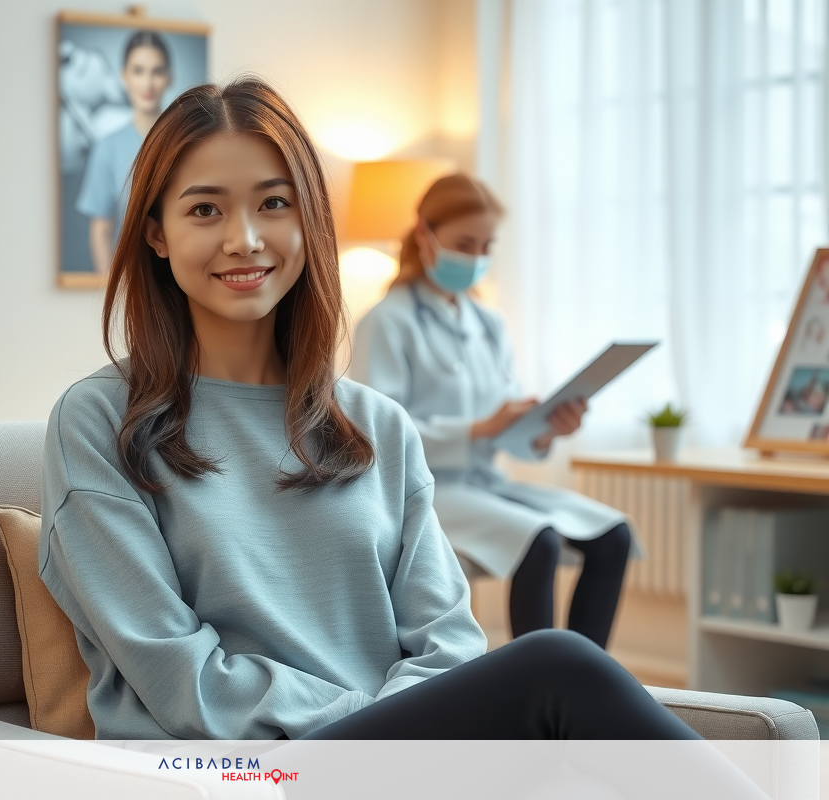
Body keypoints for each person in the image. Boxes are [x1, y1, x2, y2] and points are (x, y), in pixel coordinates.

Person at [40, 78, 697, 741]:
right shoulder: (97, 423)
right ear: (156, 233)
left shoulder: (377, 426)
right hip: (243, 772)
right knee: (559, 665)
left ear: (308, 221)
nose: (243, 239)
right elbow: (178, 675)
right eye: (205, 210)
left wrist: (407, 741)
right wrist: (383, 728)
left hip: (397, 759)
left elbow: (449, 643)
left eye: (273, 203)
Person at [352, 174, 635, 650]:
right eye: (465, 243)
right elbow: (377, 434)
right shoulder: (386, 321)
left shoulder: (489, 323)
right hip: (423, 490)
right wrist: (481, 428)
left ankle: (586, 686)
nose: (477, 257)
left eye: (487, 245)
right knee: (538, 542)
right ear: (424, 234)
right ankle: (537, 700)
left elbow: (508, 434)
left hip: (485, 484)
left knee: (613, 536)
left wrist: (545, 431)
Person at [75, 30, 172, 274]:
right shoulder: (108, 147)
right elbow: (102, 230)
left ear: (169, 77)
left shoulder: (189, 143)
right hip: (134, 280)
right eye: (138, 71)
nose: (148, 83)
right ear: (124, 77)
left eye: (157, 71)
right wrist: (113, 291)